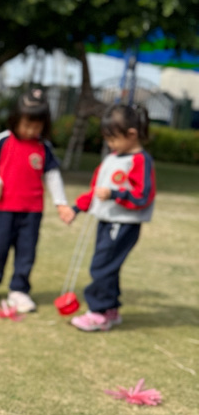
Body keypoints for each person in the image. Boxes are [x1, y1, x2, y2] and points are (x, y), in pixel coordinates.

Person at [0, 91, 75, 312]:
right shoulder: (3, 140)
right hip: (1, 208)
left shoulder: (44, 147)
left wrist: (61, 203)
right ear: (15, 120)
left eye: (37, 126)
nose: (31, 131)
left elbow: (53, 175)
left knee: (26, 253)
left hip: (31, 211)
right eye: (26, 125)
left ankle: (19, 290)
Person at [69, 103, 155, 332]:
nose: (110, 144)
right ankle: (110, 309)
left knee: (102, 266)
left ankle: (98, 312)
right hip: (106, 221)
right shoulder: (112, 158)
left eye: (113, 139)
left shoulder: (140, 161)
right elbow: (97, 189)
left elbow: (143, 196)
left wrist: (115, 194)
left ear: (132, 134)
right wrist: (76, 208)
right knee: (109, 266)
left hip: (123, 223)